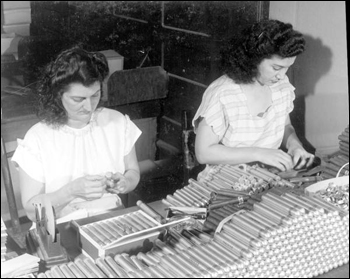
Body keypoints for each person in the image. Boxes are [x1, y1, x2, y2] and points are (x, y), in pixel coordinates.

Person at [12, 46, 142, 223]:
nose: (89, 107)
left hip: (112, 221)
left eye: (95, 95)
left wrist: (125, 182)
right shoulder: (38, 138)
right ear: (58, 95)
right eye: (78, 99)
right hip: (60, 226)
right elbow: (30, 211)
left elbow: (133, 172)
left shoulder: (117, 122)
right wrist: (70, 191)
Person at [192, 19, 315, 181]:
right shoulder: (223, 93)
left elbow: (285, 126)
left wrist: (295, 146)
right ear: (254, 59)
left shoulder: (281, 86)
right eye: (276, 68)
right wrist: (259, 153)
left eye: (288, 68)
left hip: (266, 177)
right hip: (225, 181)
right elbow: (203, 153)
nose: (282, 75)